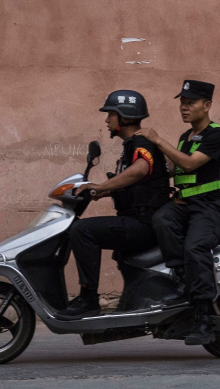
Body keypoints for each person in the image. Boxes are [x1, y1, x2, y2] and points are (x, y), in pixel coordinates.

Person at [55, 90, 170, 319]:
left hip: (143, 222)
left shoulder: (140, 142)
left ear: (124, 118)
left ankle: (88, 299)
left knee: (82, 231)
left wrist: (101, 186)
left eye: (111, 115)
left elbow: (141, 169)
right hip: (138, 219)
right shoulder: (131, 145)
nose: (107, 121)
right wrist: (99, 192)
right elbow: (136, 185)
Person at [135, 80, 220, 345]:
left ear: (207, 105)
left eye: (190, 103)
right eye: (182, 102)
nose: (184, 107)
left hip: (211, 209)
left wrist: (156, 139)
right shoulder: (184, 137)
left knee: (195, 247)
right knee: (161, 219)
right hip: (186, 207)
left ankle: (202, 317)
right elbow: (175, 168)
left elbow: (189, 164)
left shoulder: (217, 134)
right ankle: (181, 280)